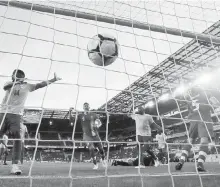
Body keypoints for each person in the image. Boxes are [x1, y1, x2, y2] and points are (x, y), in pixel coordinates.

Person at [0, 69, 61, 175]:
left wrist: (53, 79)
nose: (12, 77)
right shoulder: (9, 84)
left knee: (17, 138)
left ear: (20, 76)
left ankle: (15, 166)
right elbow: (5, 87)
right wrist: (16, 82)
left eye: (14, 75)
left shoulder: (27, 86)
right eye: (12, 76)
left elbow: (40, 85)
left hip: (16, 115)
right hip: (2, 113)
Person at [175, 87, 219, 172]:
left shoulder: (189, 98)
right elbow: (216, 103)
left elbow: (189, 111)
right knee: (204, 142)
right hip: (204, 119)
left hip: (193, 121)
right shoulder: (206, 93)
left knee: (190, 141)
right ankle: (200, 164)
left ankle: (181, 161)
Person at [78, 102, 106, 169]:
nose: (86, 107)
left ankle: (103, 160)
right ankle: (95, 163)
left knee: (101, 149)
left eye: (87, 105)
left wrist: (97, 125)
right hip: (87, 135)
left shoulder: (94, 115)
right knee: (91, 148)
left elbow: (100, 123)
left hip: (95, 135)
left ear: (89, 107)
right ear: (83, 107)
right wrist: (71, 112)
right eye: (85, 106)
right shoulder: (81, 116)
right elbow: (72, 119)